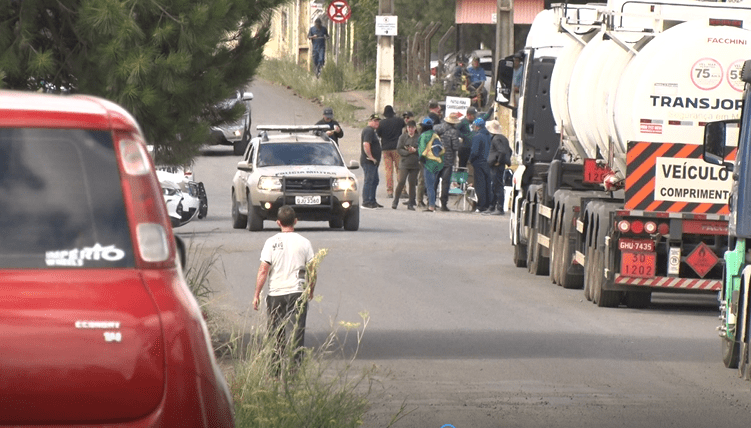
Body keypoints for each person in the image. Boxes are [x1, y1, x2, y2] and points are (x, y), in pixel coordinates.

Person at [253, 205, 315, 373]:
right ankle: (294, 371)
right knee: (297, 332)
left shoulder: (271, 242)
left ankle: (275, 371)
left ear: (278, 222)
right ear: (295, 221)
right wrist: (311, 289)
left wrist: (257, 294)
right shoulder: (305, 242)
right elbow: (312, 269)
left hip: (276, 294)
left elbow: (263, 270)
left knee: (275, 333)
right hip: (297, 293)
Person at [435, 112, 463, 211]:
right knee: (445, 183)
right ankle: (443, 204)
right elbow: (455, 147)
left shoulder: (437, 128)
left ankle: (432, 202)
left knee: (435, 181)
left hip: (437, 158)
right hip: (448, 159)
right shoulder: (454, 132)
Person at [392, 120, 420, 210]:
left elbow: (422, 149)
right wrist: (408, 151)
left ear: (415, 128)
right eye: (409, 128)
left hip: (415, 164)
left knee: (412, 183)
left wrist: (415, 150)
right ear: (407, 129)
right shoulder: (403, 137)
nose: (410, 130)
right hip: (404, 162)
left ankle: (411, 203)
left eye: (412, 128)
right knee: (401, 181)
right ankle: (395, 200)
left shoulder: (419, 138)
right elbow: (399, 149)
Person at [377, 105, 404, 199]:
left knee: (388, 170)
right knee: (399, 169)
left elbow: (379, 134)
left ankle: (389, 191)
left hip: (385, 149)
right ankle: (402, 190)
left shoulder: (381, 123)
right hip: (397, 148)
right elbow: (405, 125)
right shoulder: (399, 121)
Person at [417, 117, 444, 212]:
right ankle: (432, 203)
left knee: (429, 185)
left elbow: (421, 151)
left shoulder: (424, 136)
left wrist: (421, 160)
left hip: (429, 163)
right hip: (438, 162)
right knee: (433, 184)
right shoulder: (435, 135)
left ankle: (431, 206)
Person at [486, 120, 512, 215]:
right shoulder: (503, 138)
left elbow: (502, 151)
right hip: (499, 165)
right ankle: (492, 207)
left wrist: (498, 161)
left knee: (497, 186)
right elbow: (509, 150)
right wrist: (505, 160)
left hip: (496, 166)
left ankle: (499, 208)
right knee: (496, 186)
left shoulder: (495, 139)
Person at [469, 117, 492, 213]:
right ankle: (488, 205)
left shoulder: (477, 136)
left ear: (477, 126)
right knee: (488, 184)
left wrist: (470, 160)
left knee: (480, 185)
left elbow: (474, 152)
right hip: (489, 163)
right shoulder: (490, 136)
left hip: (479, 163)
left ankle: (481, 206)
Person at [360, 113, 382, 209]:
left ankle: (372, 200)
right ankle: (366, 201)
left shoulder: (373, 131)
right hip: (368, 161)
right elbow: (366, 144)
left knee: (375, 180)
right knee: (369, 181)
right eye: (375, 121)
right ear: (370, 121)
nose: (377, 122)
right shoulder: (368, 130)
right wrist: (371, 157)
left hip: (373, 162)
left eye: (378, 121)